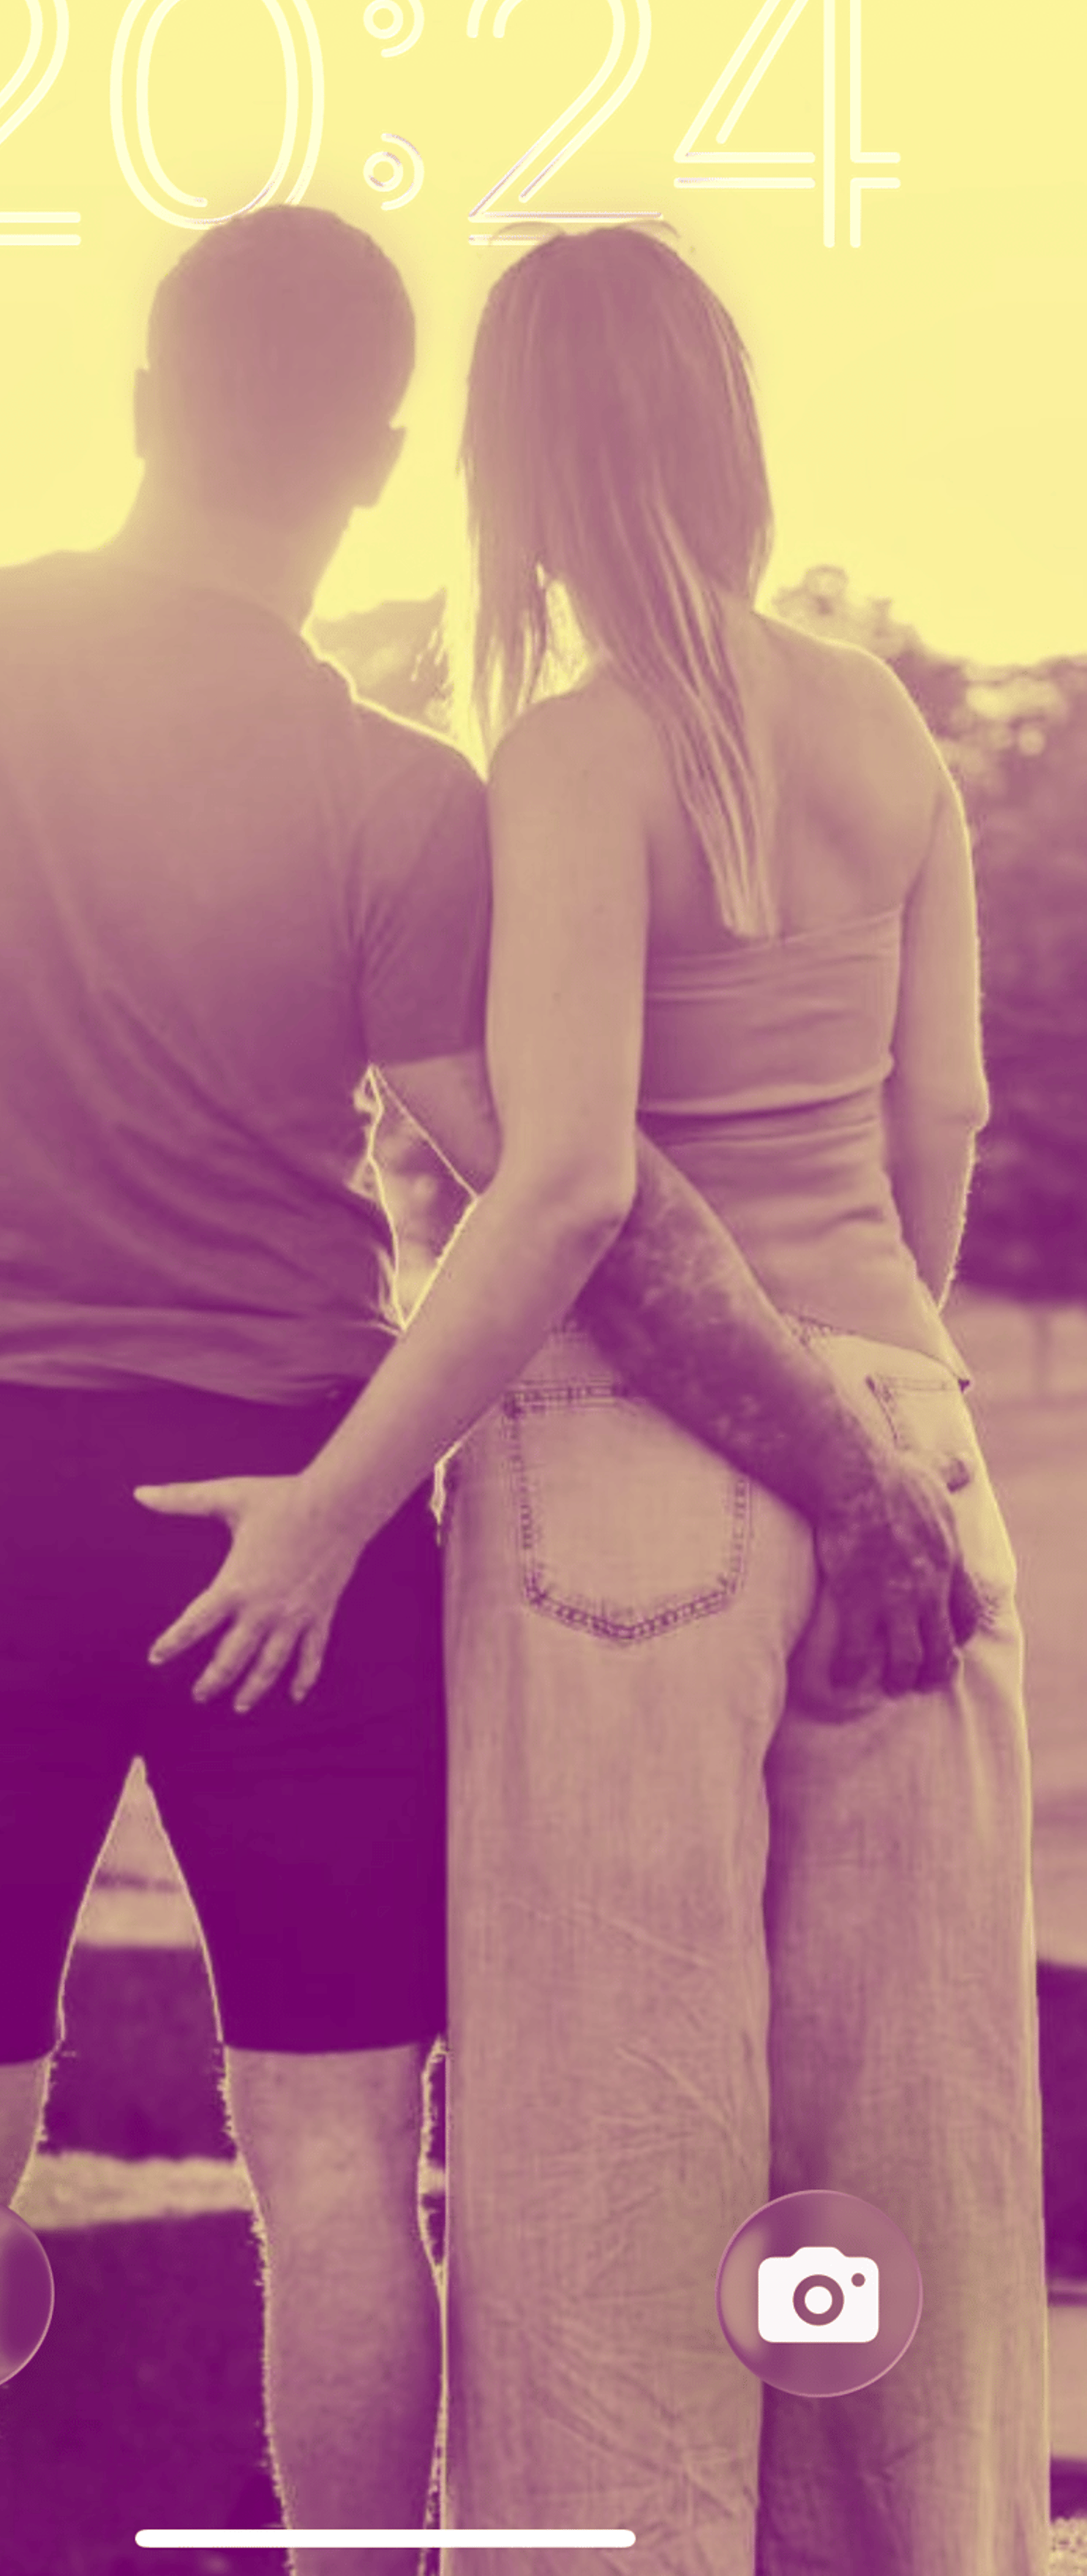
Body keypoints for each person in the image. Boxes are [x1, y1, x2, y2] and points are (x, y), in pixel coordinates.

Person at [0, 206, 974, 2576]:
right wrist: (860, 1476)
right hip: (307, 1506)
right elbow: (573, 1198)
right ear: (378, 465)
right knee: (339, 2165)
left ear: (143, 403)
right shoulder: (400, 795)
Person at [139, 228, 1048, 2576]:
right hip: (909, 1447)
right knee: (906, 2175)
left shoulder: (568, 750)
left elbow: (561, 1189)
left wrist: (336, 1502)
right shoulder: (893, 740)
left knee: (614, 2175)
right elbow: (940, 1118)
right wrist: (866, 1412)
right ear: (728, 440)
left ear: (516, 463)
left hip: (630, 1495)